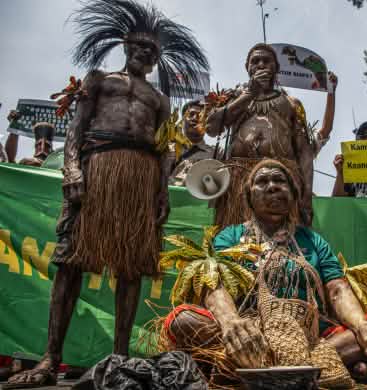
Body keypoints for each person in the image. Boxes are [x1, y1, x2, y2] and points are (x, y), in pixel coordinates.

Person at [8, 0, 208, 387]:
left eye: (152, 50)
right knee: (71, 263)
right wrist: (72, 168)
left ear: (156, 59)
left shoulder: (160, 100)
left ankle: (120, 357)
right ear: (125, 45)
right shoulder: (99, 79)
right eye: (139, 45)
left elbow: (165, 148)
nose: (144, 53)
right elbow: (77, 128)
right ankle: (51, 357)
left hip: (140, 179)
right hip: (99, 168)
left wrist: (161, 193)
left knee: (131, 267)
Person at [162, 159, 367, 385]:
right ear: (249, 197)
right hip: (252, 336)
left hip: (313, 340)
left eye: (280, 181)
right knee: (182, 320)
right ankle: (312, 370)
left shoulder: (313, 241)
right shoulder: (231, 237)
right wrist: (231, 323)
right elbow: (213, 284)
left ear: (293, 195)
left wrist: (360, 326)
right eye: (262, 182)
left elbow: (337, 289)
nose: (272, 186)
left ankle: (265, 372)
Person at [205, 43, 316, 227]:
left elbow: (304, 153)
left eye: (267, 61)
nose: (261, 65)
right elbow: (211, 128)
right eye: (255, 61)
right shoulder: (233, 98)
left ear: (277, 68)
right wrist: (249, 94)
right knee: (237, 243)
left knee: (282, 242)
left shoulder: (291, 103)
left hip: (281, 178)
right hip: (239, 180)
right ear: (248, 68)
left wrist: (305, 197)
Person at [332, 121, 367, 198]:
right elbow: (337, 202)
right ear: (357, 142)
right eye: (365, 135)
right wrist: (340, 173)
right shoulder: (351, 170)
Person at [168, 99, 215, 186]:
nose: (195, 119)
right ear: (183, 120)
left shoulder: (217, 153)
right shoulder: (168, 148)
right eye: (191, 114)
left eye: (201, 116)